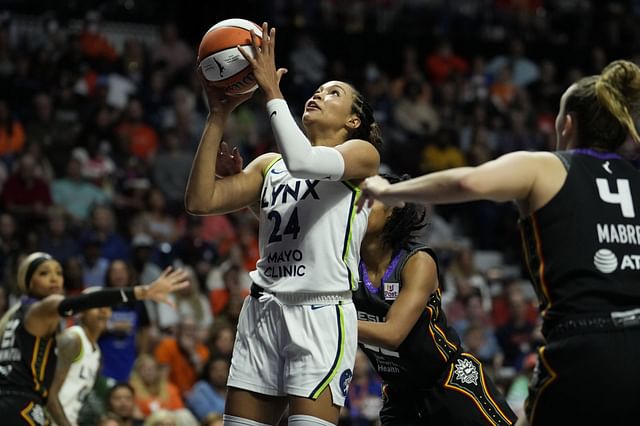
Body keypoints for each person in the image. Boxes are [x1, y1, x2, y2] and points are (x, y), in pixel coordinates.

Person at [358, 59, 640, 426]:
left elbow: (468, 183)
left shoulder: (547, 166)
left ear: (567, 124)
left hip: (582, 345)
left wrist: (391, 190)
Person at [185, 22, 381, 426]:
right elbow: (200, 201)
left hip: (321, 311)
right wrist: (218, 115)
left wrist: (272, 92)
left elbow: (305, 163)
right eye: (318, 89)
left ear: (353, 122)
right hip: (264, 309)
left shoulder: (361, 155)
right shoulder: (270, 166)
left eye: (333, 93)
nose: (318, 94)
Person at [354, 174, 516, 425]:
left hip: (449, 382)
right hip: (399, 394)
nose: (356, 207)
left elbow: (393, 334)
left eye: (368, 200)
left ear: (392, 211)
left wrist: (330, 318)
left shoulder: (417, 261)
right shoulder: (346, 267)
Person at [0, 252, 189, 425]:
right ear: (28, 281)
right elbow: (51, 392)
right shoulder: (64, 328)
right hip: (26, 406)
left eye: (59, 273)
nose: (54, 279)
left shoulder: (17, 317)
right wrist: (142, 292)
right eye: (43, 273)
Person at [47, 288, 113, 426]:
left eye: (106, 305)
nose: (102, 310)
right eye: (95, 305)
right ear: (80, 312)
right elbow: (49, 392)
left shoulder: (97, 351)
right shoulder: (72, 339)